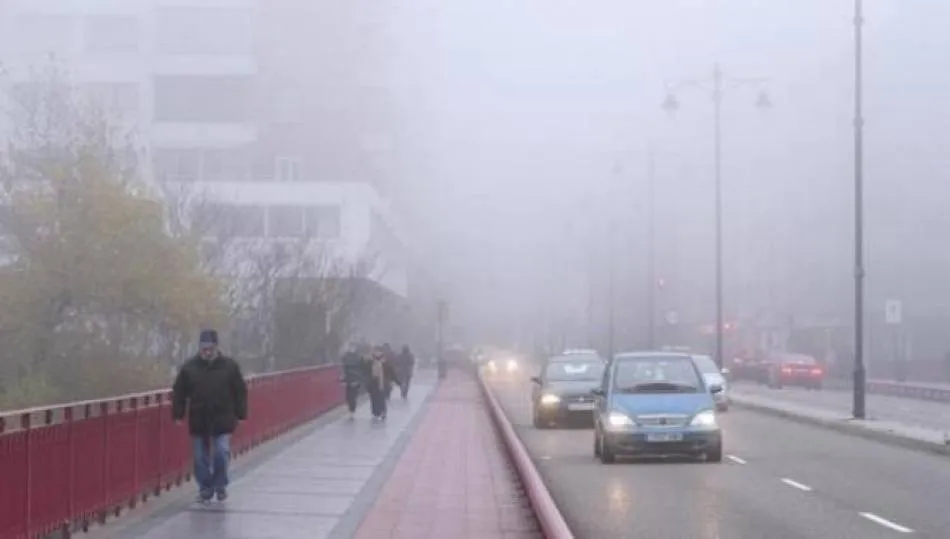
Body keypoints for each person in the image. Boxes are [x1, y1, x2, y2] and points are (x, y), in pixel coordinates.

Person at [172, 329, 248, 503]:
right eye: (204, 348)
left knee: (221, 452)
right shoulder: (190, 368)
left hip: (223, 417)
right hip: (199, 418)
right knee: (200, 458)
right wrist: (178, 413)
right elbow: (179, 392)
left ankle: (220, 484)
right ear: (200, 348)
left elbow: (240, 391)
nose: (207, 352)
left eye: (210, 348)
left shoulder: (229, 366)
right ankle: (206, 488)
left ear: (216, 347)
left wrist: (241, 413)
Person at [366, 346, 391, 420]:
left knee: (381, 398)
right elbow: (366, 372)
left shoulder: (385, 362)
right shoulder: (370, 362)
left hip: (382, 382)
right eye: (376, 351)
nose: (377, 353)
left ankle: (383, 412)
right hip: (373, 382)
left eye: (378, 351)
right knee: (373, 398)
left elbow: (390, 372)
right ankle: (375, 412)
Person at [340, 343, 365, 415]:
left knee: (352, 395)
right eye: (350, 347)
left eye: (353, 347)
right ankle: (351, 408)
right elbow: (344, 367)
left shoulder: (359, 357)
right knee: (348, 395)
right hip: (349, 378)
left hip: (355, 378)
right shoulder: (346, 356)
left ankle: (352, 409)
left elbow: (362, 368)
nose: (351, 348)